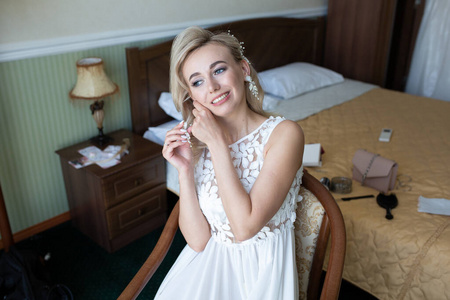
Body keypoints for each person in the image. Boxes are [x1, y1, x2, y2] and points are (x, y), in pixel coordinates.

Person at [157, 26, 305, 300]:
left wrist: (217, 144)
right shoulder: (198, 146)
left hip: (260, 278)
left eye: (219, 70)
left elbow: (245, 228)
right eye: (197, 81)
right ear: (192, 95)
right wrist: (185, 171)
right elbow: (198, 242)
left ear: (244, 69)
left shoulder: (285, 135)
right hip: (207, 271)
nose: (212, 87)